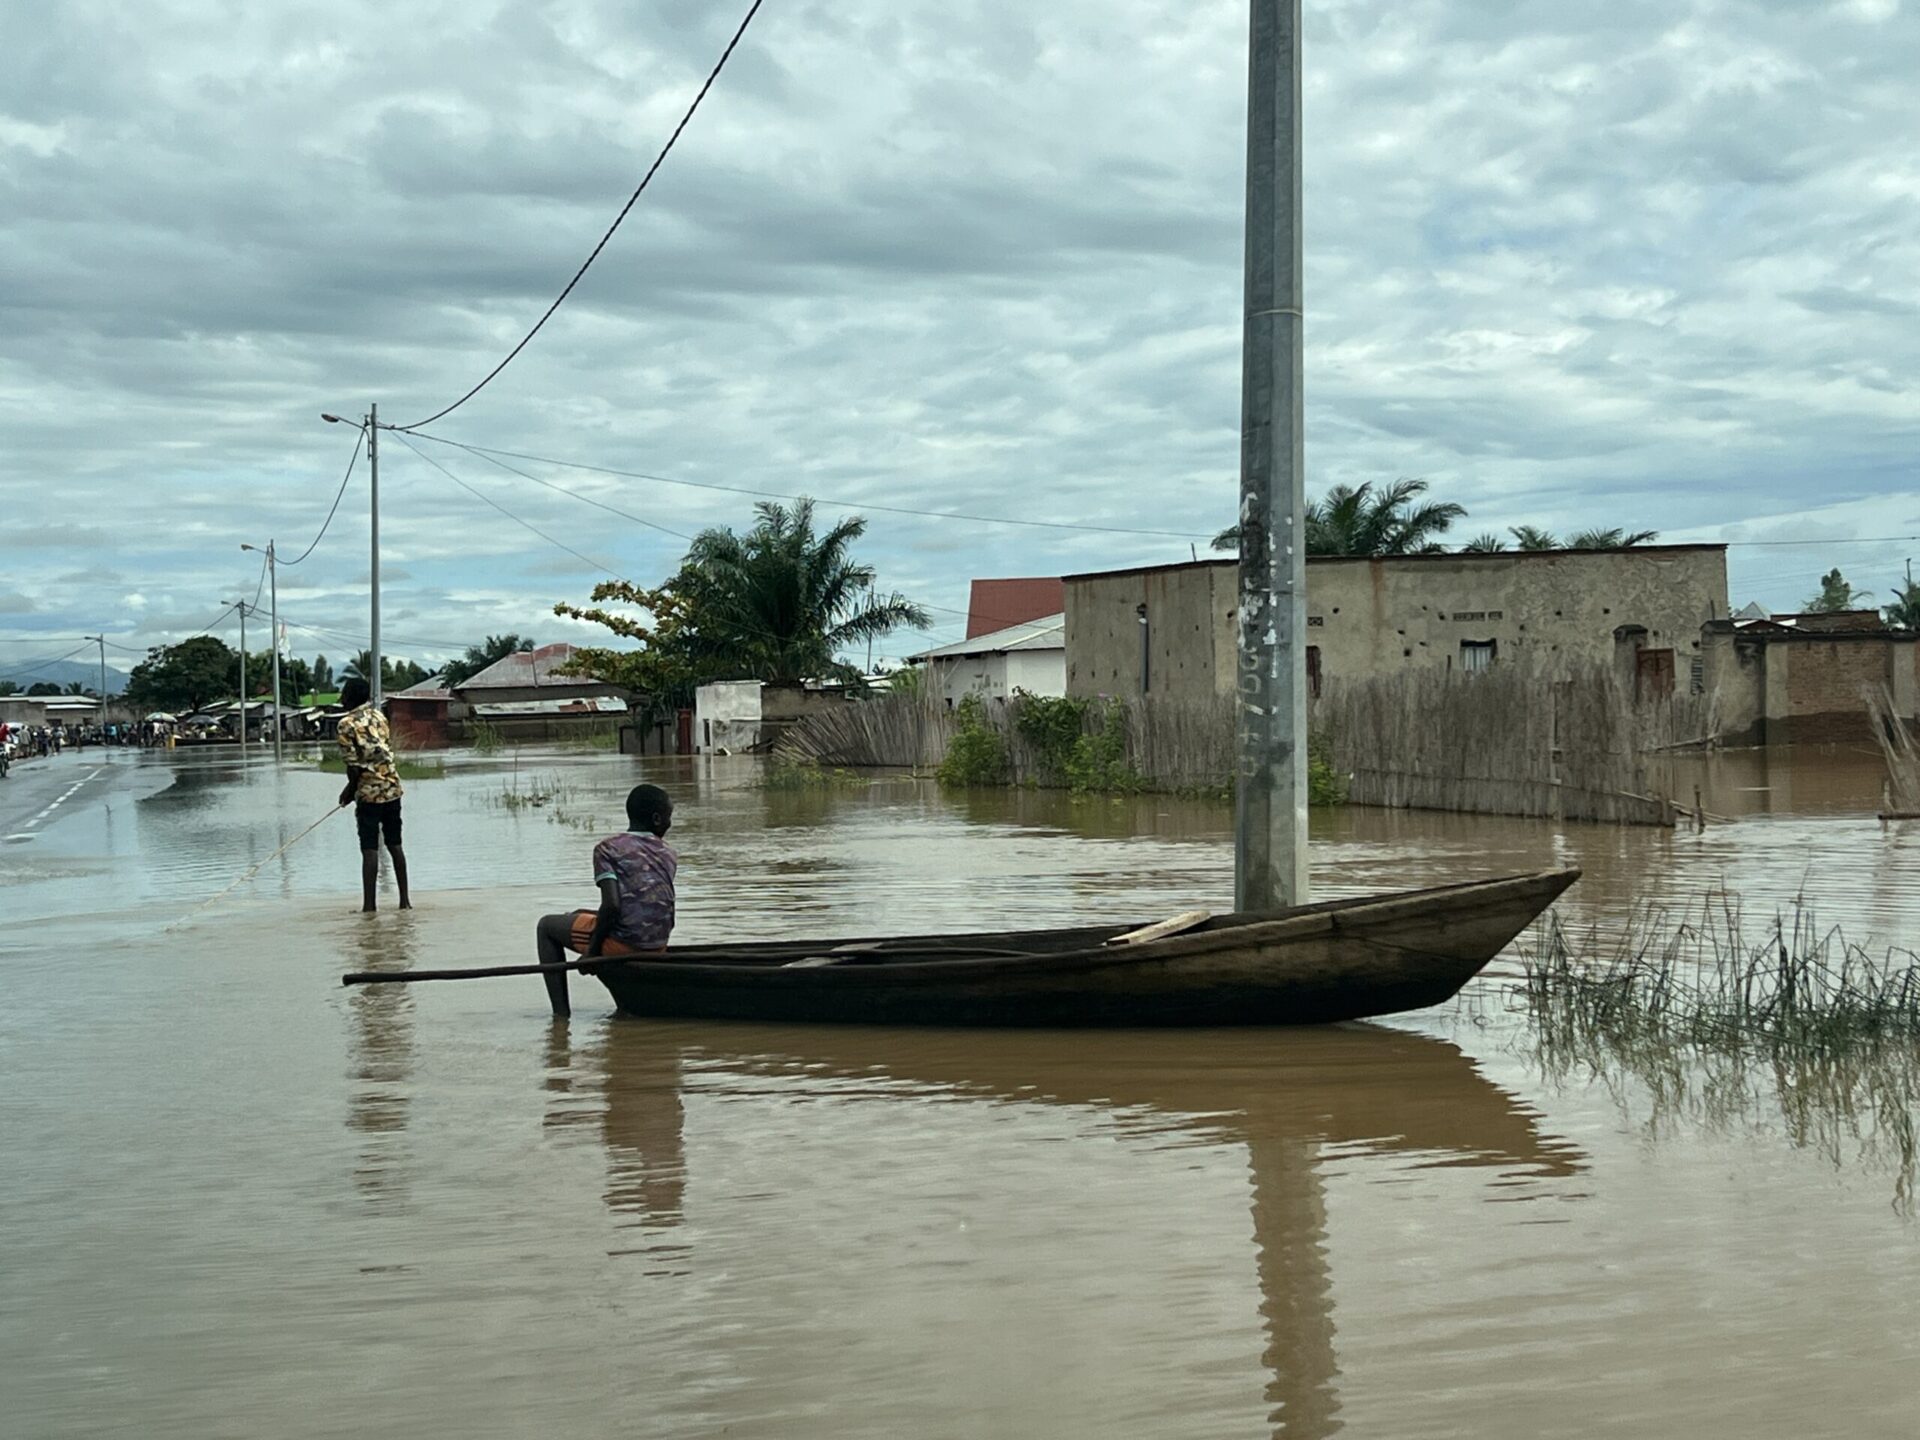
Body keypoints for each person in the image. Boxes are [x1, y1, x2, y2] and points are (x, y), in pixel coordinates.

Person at [536, 784, 676, 1019]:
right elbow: (642, 902)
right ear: (657, 819)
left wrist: (591, 953)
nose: (670, 823)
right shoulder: (669, 853)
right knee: (578, 913)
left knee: (546, 927)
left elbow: (612, 906)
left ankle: (560, 1017)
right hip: (658, 944)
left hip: (627, 945)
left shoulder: (608, 849)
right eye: (669, 817)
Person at [335, 676, 411, 912]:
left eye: (344, 694)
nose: (342, 699)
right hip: (392, 788)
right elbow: (383, 751)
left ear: (349, 697)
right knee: (395, 845)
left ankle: (369, 908)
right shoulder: (379, 716)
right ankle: (404, 902)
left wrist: (349, 791)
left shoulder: (345, 724)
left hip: (369, 794)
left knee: (370, 850)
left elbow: (354, 767)